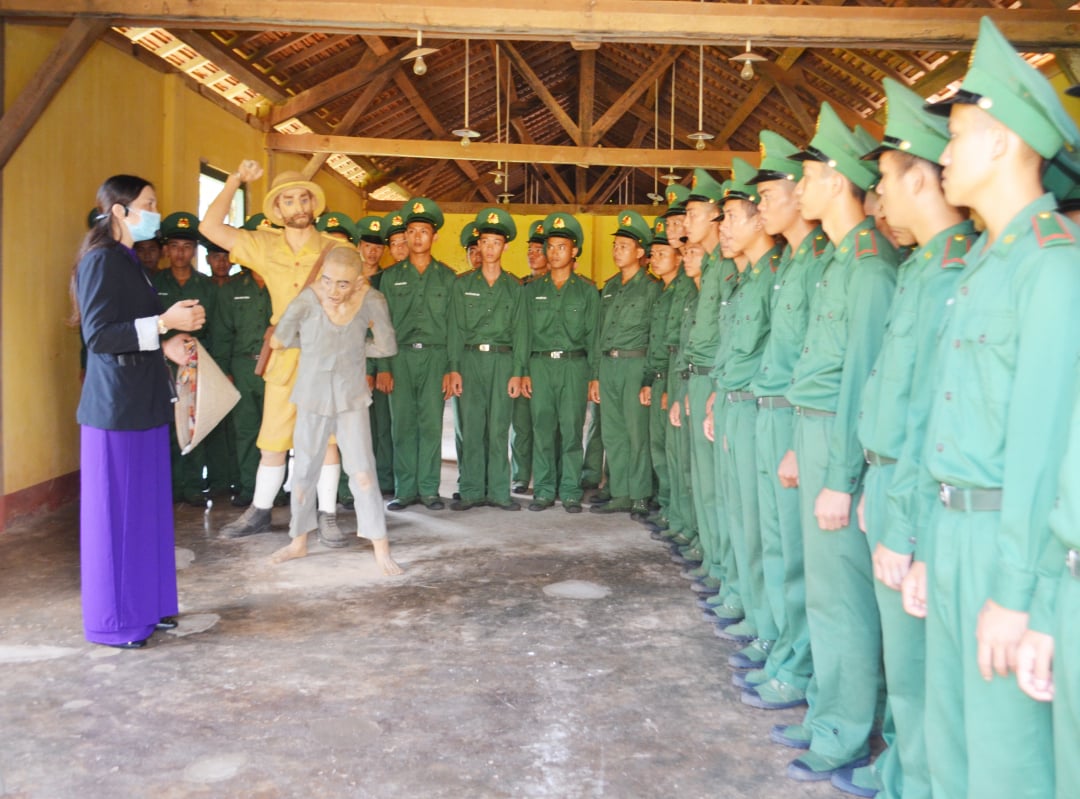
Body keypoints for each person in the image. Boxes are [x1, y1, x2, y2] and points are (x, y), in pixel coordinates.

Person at [906, 18, 1080, 799]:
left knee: (1004, 761)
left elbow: (1044, 451)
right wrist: (920, 534)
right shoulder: (982, 266)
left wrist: (1018, 592)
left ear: (1006, 142)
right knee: (950, 743)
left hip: (1004, 540)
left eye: (960, 135)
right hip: (951, 526)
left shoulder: (1050, 271)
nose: (943, 152)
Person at [842, 78, 975, 799]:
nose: (878, 199)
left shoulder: (954, 269)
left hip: (923, 487)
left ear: (919, 178)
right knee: (908, 661)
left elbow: (933, 411)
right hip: (892, 475)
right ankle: (902, 768)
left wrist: (908, 514)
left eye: (886, 181)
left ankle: (916, 780)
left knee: (925, 668)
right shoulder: (926, 266)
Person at [778, 102, 898, 782]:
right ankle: (830, 707)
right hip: (815, 432)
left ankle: (846, 728)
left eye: (811, 177)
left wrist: (840, 475)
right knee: (826, 592)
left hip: (839, 442)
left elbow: (861, 383)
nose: (801, 190)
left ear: (840, 182)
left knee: (844, 598)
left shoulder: (870, 268)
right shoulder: (838, 262)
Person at [74, 174, 206, 648]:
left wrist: (167, 344)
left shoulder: (132, 261)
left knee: (148, 513)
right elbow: (100, 335)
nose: (155, 211)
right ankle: (117, 621)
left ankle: (150, 607)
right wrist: (164, 322)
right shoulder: (100, 261)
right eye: (148, 204)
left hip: (145, 402)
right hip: (116, 410)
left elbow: (133, 331)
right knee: (118, 518)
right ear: (119, 212)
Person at [200, 162, 352, 540]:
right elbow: (210, 228)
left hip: (324, 358)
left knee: (327, 441)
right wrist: (234, 180)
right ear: (278, 211)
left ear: (314, 205)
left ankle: (328, 515)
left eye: (304, 198)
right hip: (284, 359)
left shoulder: (339, 249)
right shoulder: (262, 245)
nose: (298, 206)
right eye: (288, 200)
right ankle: (260, 510)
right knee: (272, 439)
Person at [739, 130, 830, 713]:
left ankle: (800, 668)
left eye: (771, 196)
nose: (762, 207)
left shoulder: (823, 263)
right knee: (776, 541)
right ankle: (782, 648)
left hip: (803, 421)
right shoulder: (792, 264)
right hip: (773, 409)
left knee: (802, 558)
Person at [266, 247, 402, 575]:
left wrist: (353, 350)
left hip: (352, 397)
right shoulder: (308, 299)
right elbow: (279, 340)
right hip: (312, 396)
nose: (333, 291)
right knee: (303, 472)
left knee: (364, 473)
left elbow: (387, 346)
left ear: (358, 281)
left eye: (343, 284)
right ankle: (298, 541)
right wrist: (315, 345)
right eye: (327, 281)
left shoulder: (371, 299)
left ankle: (380, 545)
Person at [710, 159, 785, 674]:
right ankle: (761, 620)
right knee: (742, 517)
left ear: (760, 220)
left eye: (733, 216)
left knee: (767, 531)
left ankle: (775, 634)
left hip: (764, 409)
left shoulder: (774, 277)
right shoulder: (747, 279)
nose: (725, 227)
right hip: (737, 402)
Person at [375, 198, 457, 511]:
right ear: (405, 236)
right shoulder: (390, 277)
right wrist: (383, 365)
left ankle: (429, 490)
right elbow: (381, 325)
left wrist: (452, 368)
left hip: (436, 357)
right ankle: (405, 489)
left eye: (424, 231)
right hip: (400, 357)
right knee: (403, 425)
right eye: (412, 231)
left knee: (431, 424)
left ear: (434, 237)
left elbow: (453, 327)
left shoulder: (447, 278)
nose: (418, 237)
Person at [519, 212, 598, 513]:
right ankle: (543, 490)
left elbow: (593, 337)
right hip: (540, 366)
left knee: (571, 429)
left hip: (574, 366)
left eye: (561, 247)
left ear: (574, 251)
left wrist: (594, 377)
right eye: (549, 247)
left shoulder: (587, 291)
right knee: (542, 428)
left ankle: (570, 490)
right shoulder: (532, 291)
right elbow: (524, 335)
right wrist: (522, 372)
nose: (553, 253)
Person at [446, 207, 523, 511]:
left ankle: (499, 492)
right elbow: (454, 330)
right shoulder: (462, 285)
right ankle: (471, 491)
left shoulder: (515, 288)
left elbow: (521, 333)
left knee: (499, 426)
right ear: (477, 246)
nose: (490, 249)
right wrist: (453, 369)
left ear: (505, 247)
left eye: (496, 242)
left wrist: (518, 372)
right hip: (470, 361)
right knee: (472, 426)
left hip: (503, 363)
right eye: (485, 242)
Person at [589, 210, 659, 517]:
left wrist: (649, 377)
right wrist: (595, 375)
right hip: (609, 365)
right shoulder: (610, 286)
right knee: (613, 432)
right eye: (615, 245)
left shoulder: (651, 288)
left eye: (624, 246)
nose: (617, 251)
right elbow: (599, 334)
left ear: (640, 252)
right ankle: (620, 492)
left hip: (636, 364)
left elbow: (655, 336)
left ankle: (640, 494)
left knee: (636, 433)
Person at [152, 211, 217, 506]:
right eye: (175, 246)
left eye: (187, 247)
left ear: (195, 251)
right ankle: (167, 487)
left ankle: (191, 487)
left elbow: (216, 328)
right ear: (166, 249)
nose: (181, 252)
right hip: (161, 366)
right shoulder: (152, 283)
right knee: (165, 427)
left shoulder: (206, 287)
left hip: (196, 365)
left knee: (193, 427)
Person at [212, 216, 273, 508]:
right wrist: (225, 371)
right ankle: (251, 488)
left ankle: (276, 488)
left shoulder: (284, 284)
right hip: (242, 367)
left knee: (277, 431)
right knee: (246, 430)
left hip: (278, 368)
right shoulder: (232, 289)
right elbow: (222, 333)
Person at [355, 215, 395, 497]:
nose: (373, 251)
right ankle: (351, 486)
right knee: (351, 427)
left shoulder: (388, 280)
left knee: (382, 427)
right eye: (368, 245)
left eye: (379, 247)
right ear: (359, 246)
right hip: (349, 364)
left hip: (379, 362)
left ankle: (384, 481)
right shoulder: (346, 280)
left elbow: (385, 330)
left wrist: (379, 367)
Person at [510, 218, 550, 495]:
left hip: (550, 362)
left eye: (539, 249)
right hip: (525, 360)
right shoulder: (519, 286)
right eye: (530, 250)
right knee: (521, 422)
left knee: (550, 423)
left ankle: (551, 476)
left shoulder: (565, 286)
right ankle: (521, 475)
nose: (533, 255)